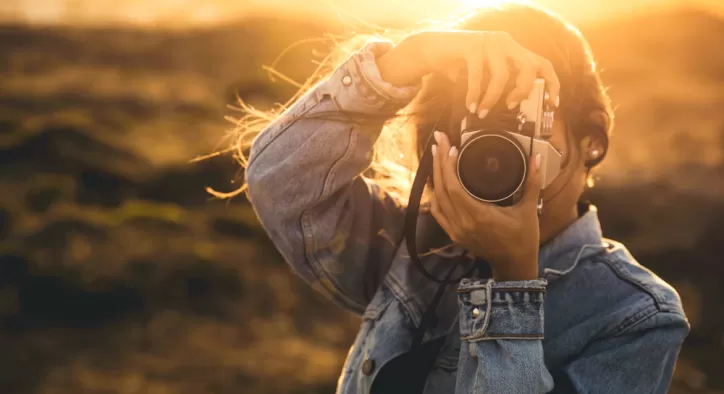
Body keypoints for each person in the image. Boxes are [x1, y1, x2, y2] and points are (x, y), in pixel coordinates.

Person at [240, 2, 690, 393]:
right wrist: (406, 60)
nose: (496, 150)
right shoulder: (413, 244)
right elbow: (281, 182)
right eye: (477, 126)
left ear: (590, 138)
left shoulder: (634, 316)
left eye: (522, 122)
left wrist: (513, 280)